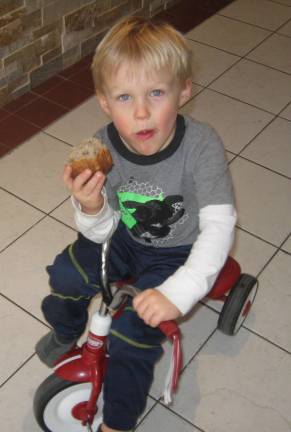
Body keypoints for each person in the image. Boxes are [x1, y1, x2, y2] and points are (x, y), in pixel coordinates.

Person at [36, 16, 237, 432]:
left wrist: (178, 292)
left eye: (156, 93)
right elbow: (102, 230)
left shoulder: (202, 146)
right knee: (67, 273)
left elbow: (219, 227)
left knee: (131, 335)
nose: (142, 111)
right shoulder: (104, 145)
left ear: (184, 91)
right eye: (125, 97)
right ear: (105, 102)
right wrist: (90, 207)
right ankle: (66, 328)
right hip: (125, 236)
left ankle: (119, 422)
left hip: (179, 250)